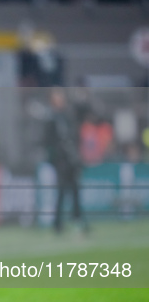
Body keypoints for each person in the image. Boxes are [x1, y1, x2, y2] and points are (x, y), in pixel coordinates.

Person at [44, 87, 88, 234]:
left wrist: (76, 155)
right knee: (61, 191)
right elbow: (47, 140)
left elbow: (74, 136)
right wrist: (55, 158)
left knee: (75, 190)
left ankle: (77, 220)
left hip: (71, 158)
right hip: (60, 160)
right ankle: (58, 224)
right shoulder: (50, 117)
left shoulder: (68, 116)